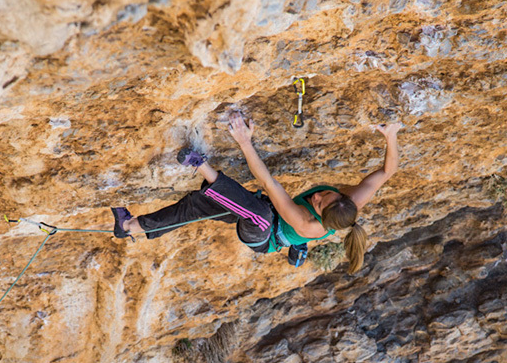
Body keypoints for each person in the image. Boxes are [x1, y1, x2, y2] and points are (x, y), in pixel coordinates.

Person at [112, 113, 402, 273]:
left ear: (322, 218)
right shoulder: (352, 202)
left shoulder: (308, 224)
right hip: (265, 210)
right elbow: (387, 173)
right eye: (323, 195)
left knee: (260, 214)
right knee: (195, 207)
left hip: (264, 235)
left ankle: (201, 166)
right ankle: (130, 226)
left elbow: (270, 185)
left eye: (318, 203)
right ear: (345, 197)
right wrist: (391, 136)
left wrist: (244, 140)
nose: (316, 197)